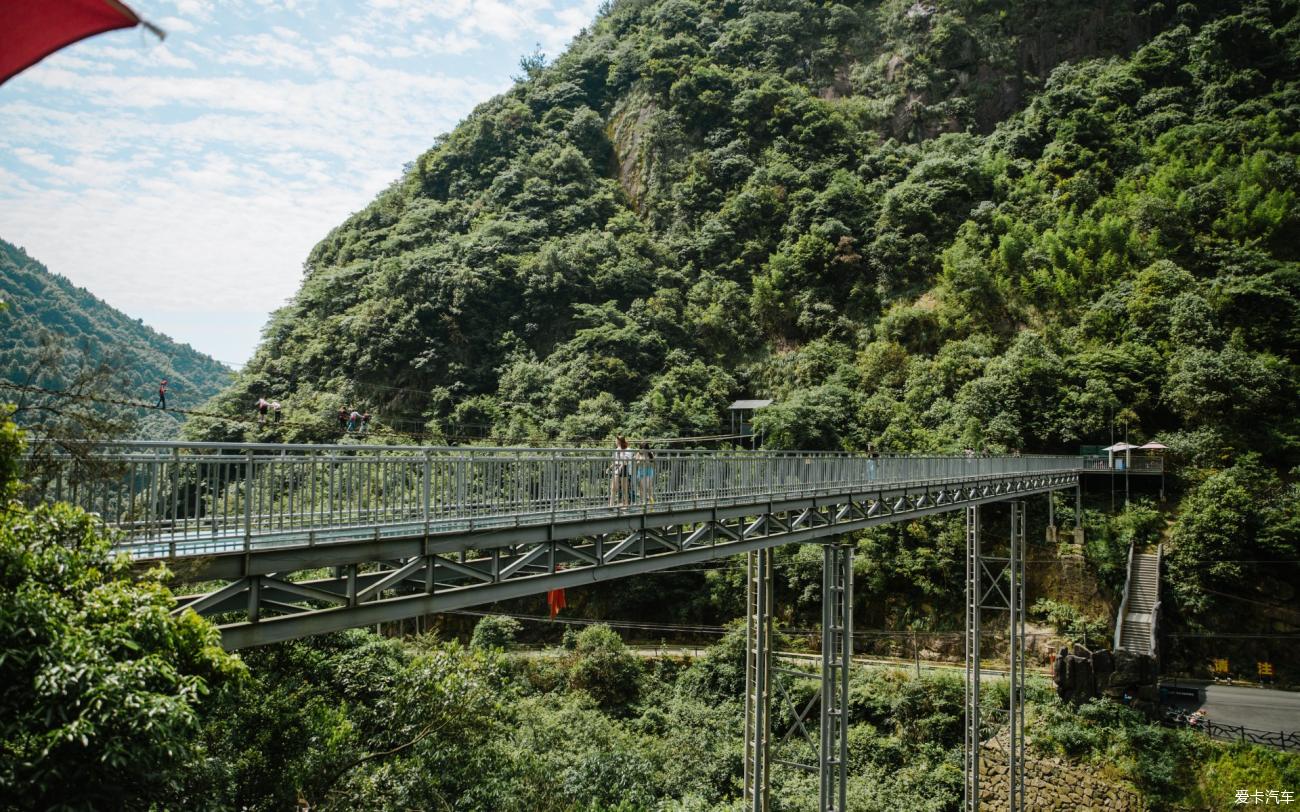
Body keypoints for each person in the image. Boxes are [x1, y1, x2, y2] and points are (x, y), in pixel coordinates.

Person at [608, 436, 633, 507]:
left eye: (616, 441)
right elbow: (616, 460)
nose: (615, 442)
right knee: (613, 487)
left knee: (624, 488)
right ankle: (611, 505)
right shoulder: (617, 449)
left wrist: (620, 467)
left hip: (624, 469)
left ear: (619, 441)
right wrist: (610, 467)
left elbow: (625, 461)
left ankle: (625, 505)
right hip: (617, 468)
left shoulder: (628, 449)